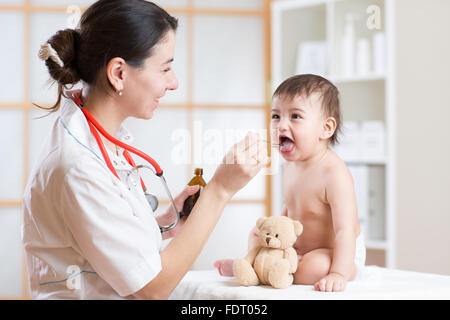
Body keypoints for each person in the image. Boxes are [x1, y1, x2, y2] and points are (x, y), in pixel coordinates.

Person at [22, 0, 268, 300]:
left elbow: (96, 236)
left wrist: (165, 224)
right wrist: (220, 190)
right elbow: (153, 288)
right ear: (119, 73)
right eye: (165, 68)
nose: (173, 82)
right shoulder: (79, 166)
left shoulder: (95, 134)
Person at [214, 74, 366, 292]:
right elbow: (291, 208)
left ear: (326, 128)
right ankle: (255, 264)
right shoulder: (291, 166)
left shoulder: (334, 173)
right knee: (257, 233)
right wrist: (276, 231)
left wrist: (338, 273)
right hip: (295, 248)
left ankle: (266, 270)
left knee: (315, 267)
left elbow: (345, 230)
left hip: (335, 251)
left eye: (295, 116)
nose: (281, 125)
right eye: (276, 116)